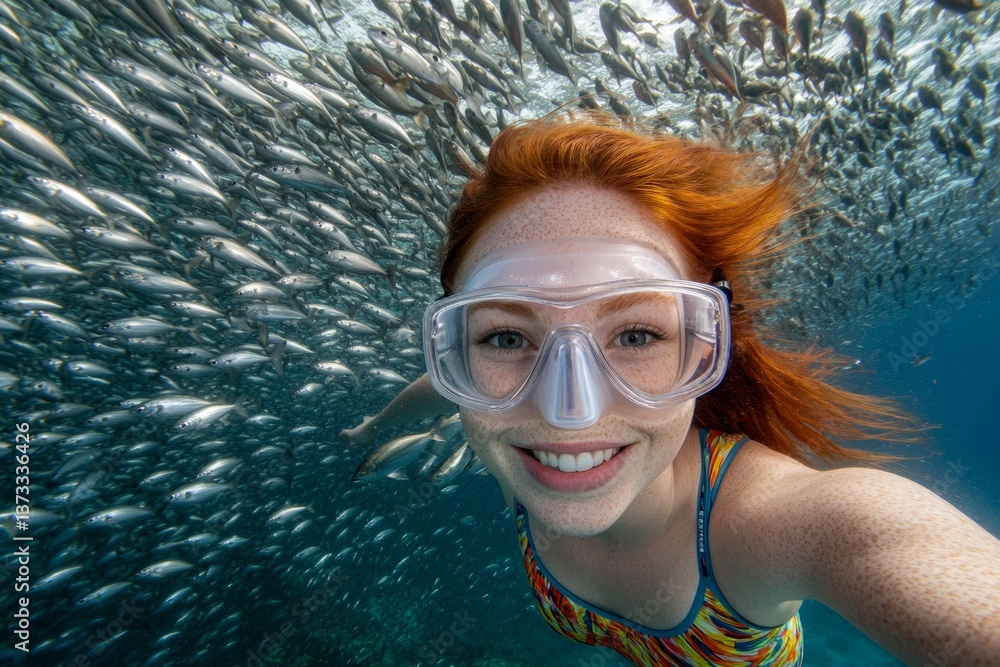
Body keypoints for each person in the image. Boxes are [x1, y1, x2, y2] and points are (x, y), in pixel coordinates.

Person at [342, 111, 1000, 666]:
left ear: (705, 342)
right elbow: (443, 385)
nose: (570, 410)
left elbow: (900, 548)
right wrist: (372, 429)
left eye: (635, 335)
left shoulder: (782, 523)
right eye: (507, 338)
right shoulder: (490, 407)